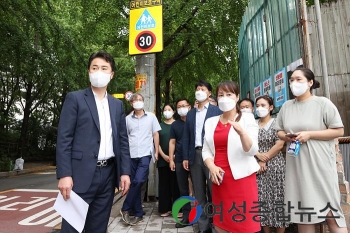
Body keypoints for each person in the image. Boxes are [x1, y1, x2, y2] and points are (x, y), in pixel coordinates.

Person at [56, 51, 131, 233]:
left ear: (111, 74)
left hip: (107, 175)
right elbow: (64, 138)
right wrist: (64, 174)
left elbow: (122, 140)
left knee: (98, 227)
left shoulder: (117, 105)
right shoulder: (75, 98)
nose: (99, 71)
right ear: (89, 71)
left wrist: (125, 172)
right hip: (79, 175)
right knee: (72, 228)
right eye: (95, 68)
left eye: (104, 68)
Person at [275, 67, 347, 233]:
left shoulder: (323, 103)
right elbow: (279, 130)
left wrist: (310, 134)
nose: (294, 83)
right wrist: (287, 137)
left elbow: (338, 130)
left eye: (299, 79)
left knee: (331, 213)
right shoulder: (286, 106)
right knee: (303, 213)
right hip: (297, 166)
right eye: (291, 80)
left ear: (310, 83)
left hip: (319, 164)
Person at [202, 81, 260, 233]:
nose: (224, 98)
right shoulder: (210, 122)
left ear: (237, 97)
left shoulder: (247, 119)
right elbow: (206, 150)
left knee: (244, 223)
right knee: (222, 223)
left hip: (242, 179)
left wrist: (242, 133)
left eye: (229, 94)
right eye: (221, 95)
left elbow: (252, 150)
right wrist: (212, 166)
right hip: (219, 178)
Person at [182, 80, 222, 233]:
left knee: (214, 191)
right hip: (195, 155)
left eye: (202, 89)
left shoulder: (216, 111)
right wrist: (186, 157)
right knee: (199, 193)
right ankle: (203, 226)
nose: (199, 91)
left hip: (212, 156)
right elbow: (186, 136)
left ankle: (216, 225)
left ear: (209, 93)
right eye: (197, 89)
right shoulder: (191, 113)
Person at [120, 93, 161, 226]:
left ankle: (125, 207)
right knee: (134, 183)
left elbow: (155, 134)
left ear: (143, 102)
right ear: (131, 104)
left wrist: (156, 151)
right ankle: (138, 213)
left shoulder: (151, 117)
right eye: (135, 100)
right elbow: (124, 138)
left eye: (140, 100)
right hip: (131, 154)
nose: (138, 102)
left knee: (139, 180)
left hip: (145, 153)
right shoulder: (127, 119)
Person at [255, 95, 289, 233]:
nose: (259, 108)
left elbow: (280, 144)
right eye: (257, 105)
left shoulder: (277, 123)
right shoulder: (252, 124)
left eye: (263, 105)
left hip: (276, 166)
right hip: (257, 167)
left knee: (278, 199)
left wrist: (264, 159)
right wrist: (258, 157)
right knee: (261, 201)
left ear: (270, 107)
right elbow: (248, 144)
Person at [169, 98, 192, 228]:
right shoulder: (175, 125)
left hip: (194, 158)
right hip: (179, 160)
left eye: (184, 105)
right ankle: (186, 216)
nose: (182, 107)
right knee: (183, 189)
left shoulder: (194, 121)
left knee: (200, 189)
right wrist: (171, 159)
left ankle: (206, 217)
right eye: (179, 106)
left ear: (189, 106)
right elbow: (172, 142)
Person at [157, 104, 180, 217]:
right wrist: (163, 155)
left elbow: (179, 141)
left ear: (173, 111)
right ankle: (164, 209)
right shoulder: (159, 125)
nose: (167, 111)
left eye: (169, 109)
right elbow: (156, 143)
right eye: (165, 110)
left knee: (176, 184)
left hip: (176, 159)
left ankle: (178, 209)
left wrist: (173, 156)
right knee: (164, 185)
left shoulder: (178, 124)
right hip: (162, 159)